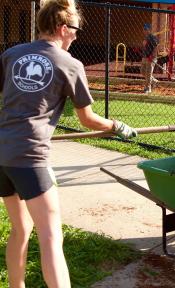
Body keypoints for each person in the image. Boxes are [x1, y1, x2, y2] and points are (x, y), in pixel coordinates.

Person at [0, 1, 137, 287]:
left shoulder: (11, 54)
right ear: (63, 28)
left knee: (21, 227)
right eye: (75, 30)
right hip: (29, 157)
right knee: (51, 235)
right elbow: (87, 119)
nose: (76, 36)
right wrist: (117, 126)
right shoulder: (70, 65)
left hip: (2, 153)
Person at [141, 23, 159, 94]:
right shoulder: (146, 37)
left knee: (148, 73)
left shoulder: (152, 37)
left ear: (149, 30)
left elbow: (155, 48)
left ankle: (148, 88)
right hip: (145, 57)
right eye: (144, 29)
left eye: (146, 29)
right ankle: (154, 81)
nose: (144, 30)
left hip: (151, 58)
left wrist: (152, 56)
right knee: (142, 71)